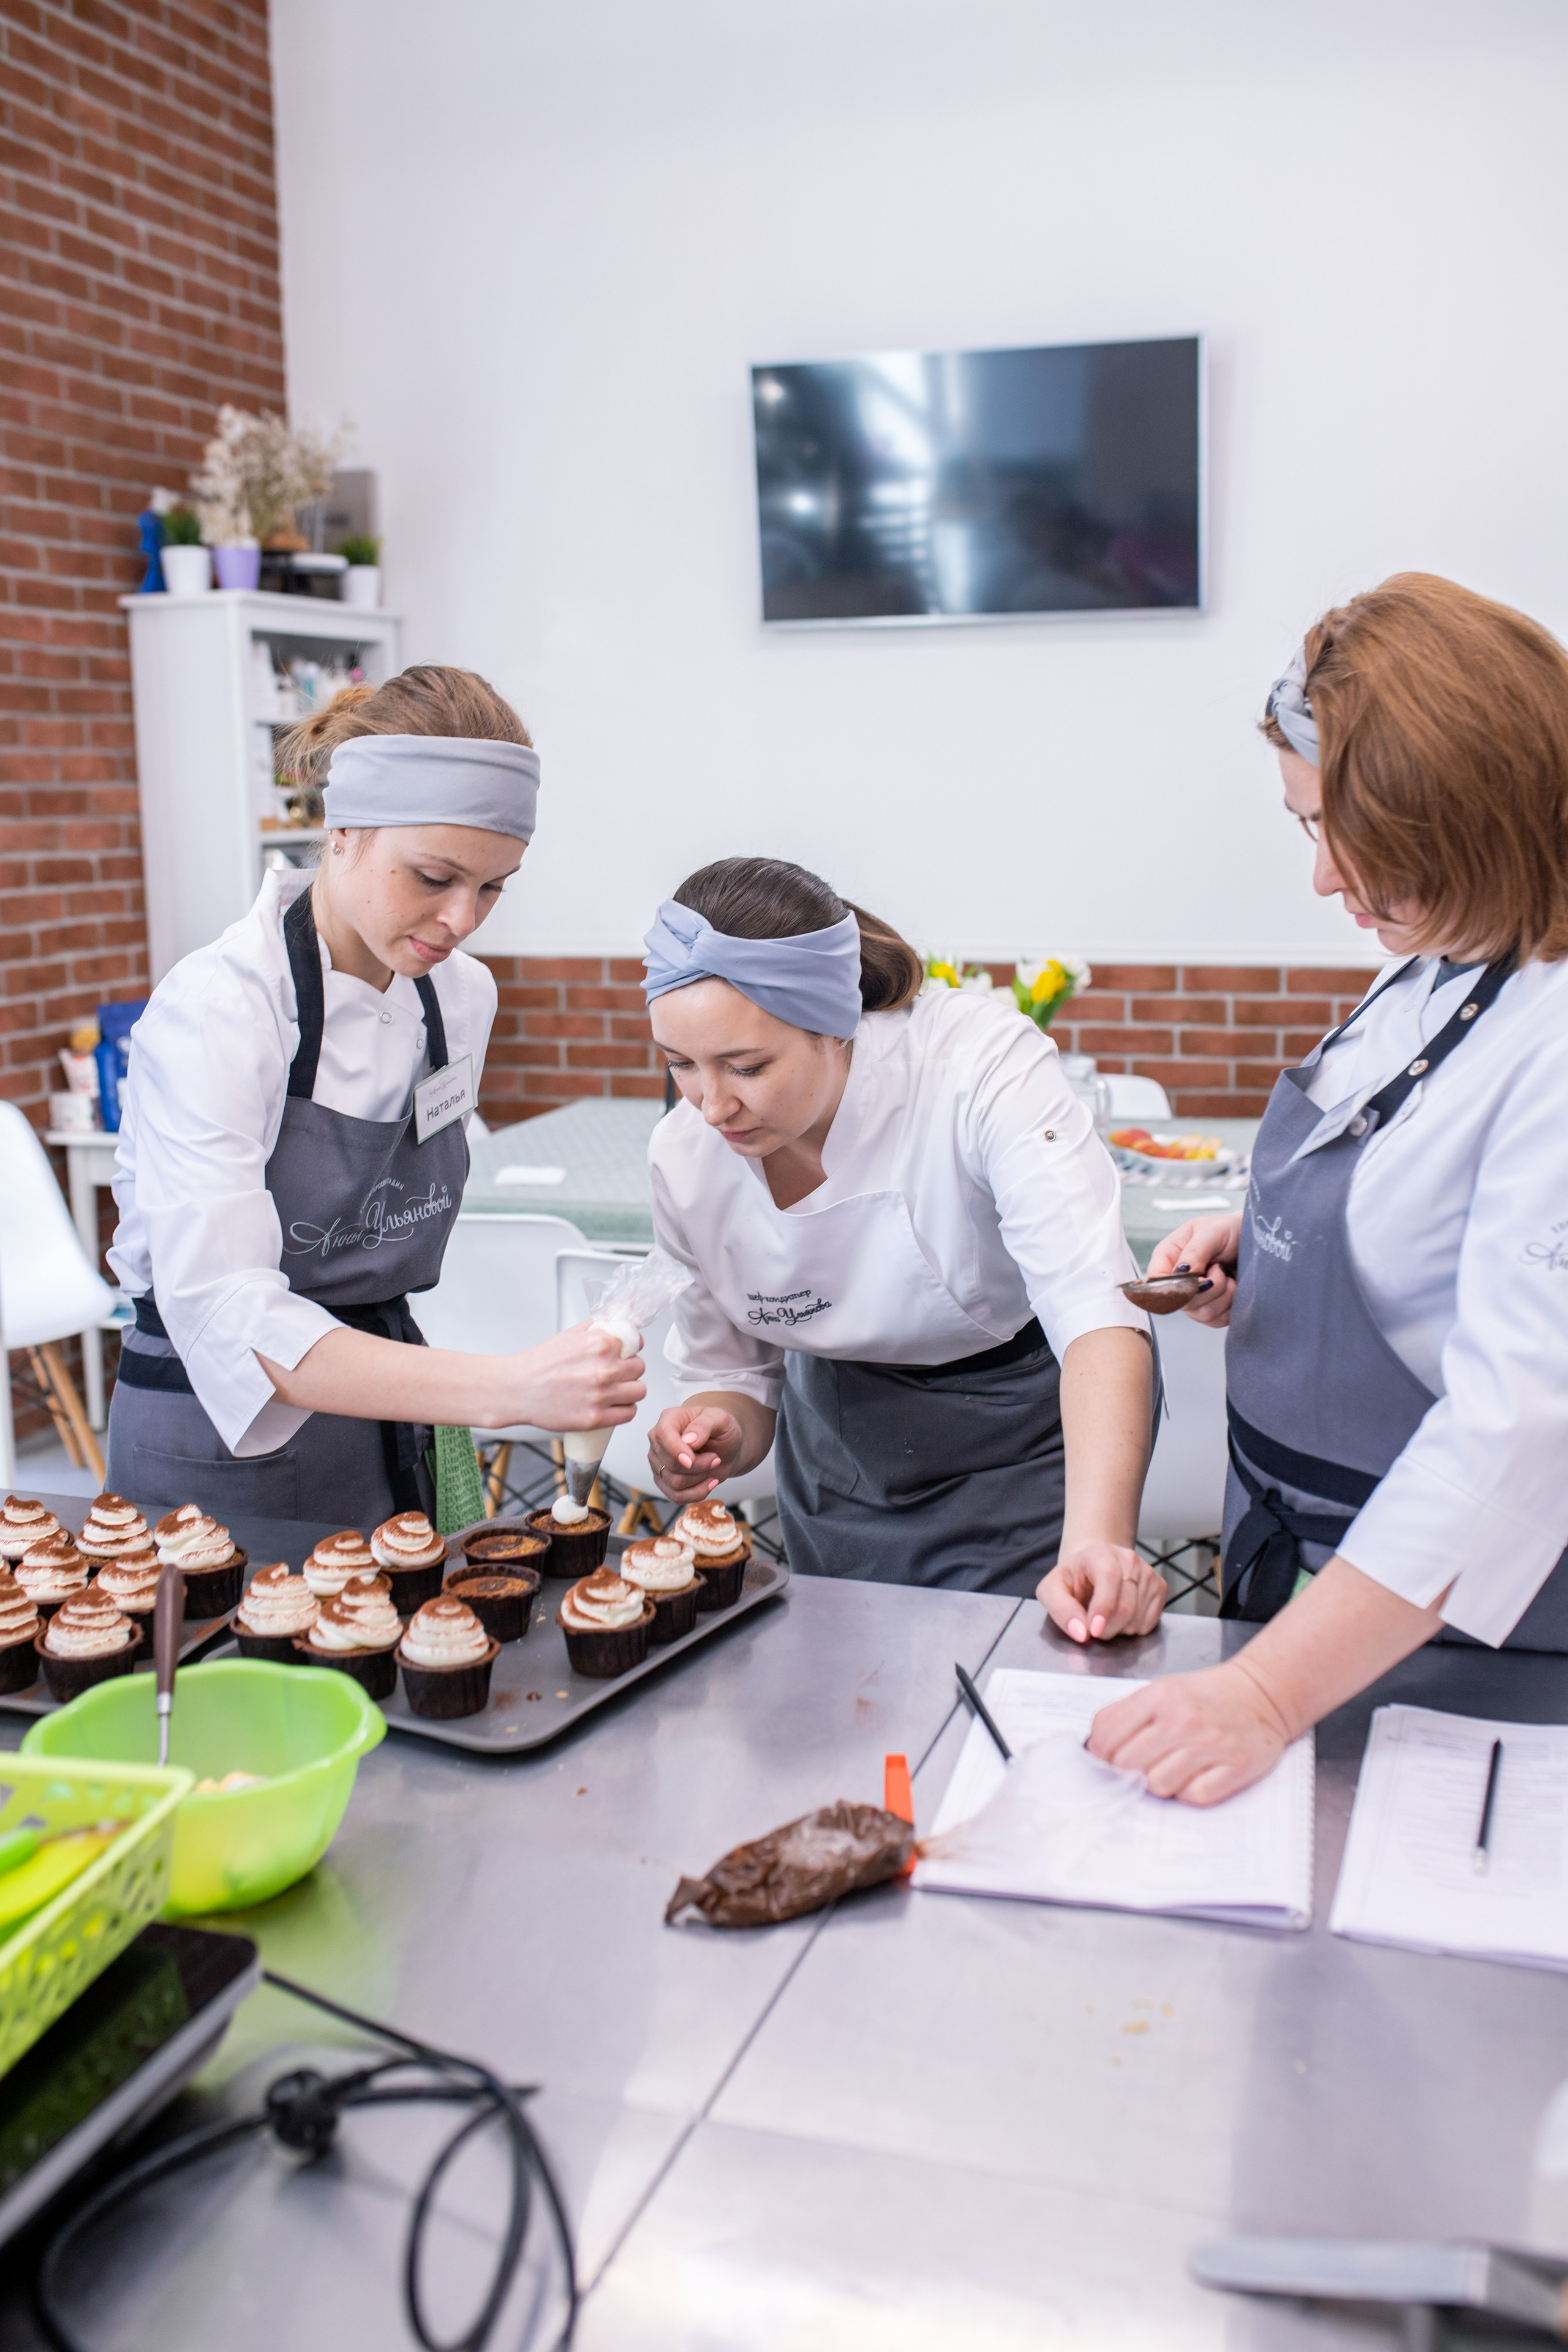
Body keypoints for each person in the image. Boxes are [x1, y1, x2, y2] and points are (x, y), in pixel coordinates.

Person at [1088, 572, 1568, 1803]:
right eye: (1306, 827)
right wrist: (1268, 1246)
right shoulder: (1443, 956)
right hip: (1303, 1567)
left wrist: (1264, 1694)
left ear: (1467, 814)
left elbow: (1521, 1428)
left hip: (1461, 1631)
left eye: (1339, 832)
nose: (1321, 880)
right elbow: (1414, 1210)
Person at [106, 665, 643, 1520]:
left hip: (387, 1420)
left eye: (492, 886)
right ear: (344, 829)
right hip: (218, 1438)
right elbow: (229, 1314)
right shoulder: (221, 1009)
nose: (463, 920)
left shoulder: (461, 997)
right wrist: (507, 1388)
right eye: (432, 877)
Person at [637, 857, 1166, 1627]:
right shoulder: (684, 1157)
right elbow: (732, 1374)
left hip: (1017, 1438)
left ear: (835, 1024)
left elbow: (1094, 1309)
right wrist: (717, 1430)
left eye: (746, 1067)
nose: (712, 1106)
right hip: (838, 1451)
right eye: (681, 1065)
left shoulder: (974, 1067)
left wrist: (1097, 1543)